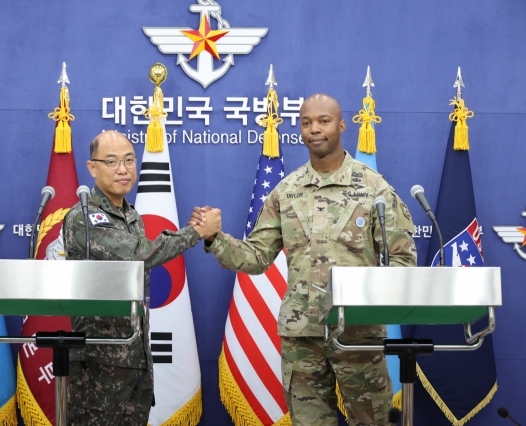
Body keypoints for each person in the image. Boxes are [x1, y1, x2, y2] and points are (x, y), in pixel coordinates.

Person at [191, 94, 417, 426]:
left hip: (357, 335)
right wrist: (214, 238)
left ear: (341, 126)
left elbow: (401, 261)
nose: (314, 129)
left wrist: (368, 302)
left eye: (324, 121)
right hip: (303, 337)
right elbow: (256, 257)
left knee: (373, 422)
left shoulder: (374, 189)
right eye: (306, 122)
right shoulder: (286, 191)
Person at [63, 130, 220, 426]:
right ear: (92, 168)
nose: (123, 169)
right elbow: (139, 255)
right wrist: (196, 232)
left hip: (135, 360)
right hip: (100, 364)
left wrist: (190, 229)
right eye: (111, 161)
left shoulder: (131, 215)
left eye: (129, 160)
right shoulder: (84, 216)